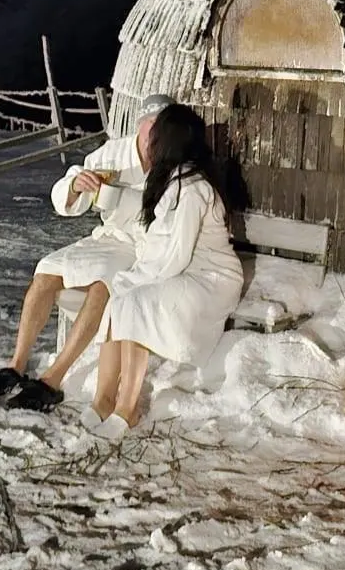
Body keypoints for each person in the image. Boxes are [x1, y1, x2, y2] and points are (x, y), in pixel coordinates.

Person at [0, 93, 176, 410]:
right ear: (140, 124)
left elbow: (164, 214)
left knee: (104, 286)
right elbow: (71, 181)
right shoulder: (115, 153)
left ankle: (51, 381)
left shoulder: (174, 162)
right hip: (107, 238)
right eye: (150, 125)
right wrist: (75, 186)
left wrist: (120, 200)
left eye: (162, 127)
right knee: (46, 270)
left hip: (142, 245)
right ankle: (15, 366)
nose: (155, 134)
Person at [85, 103, 243, 440]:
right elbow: (159, 244)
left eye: (155, 135)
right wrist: (131, 280)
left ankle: (128, 408)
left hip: (210, 279)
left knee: (132, 301)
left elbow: (176, 254)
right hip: (187, 271)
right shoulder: (174, 181)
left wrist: (136, 281)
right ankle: (103, 399)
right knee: (119, 298)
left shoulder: (193, 188)